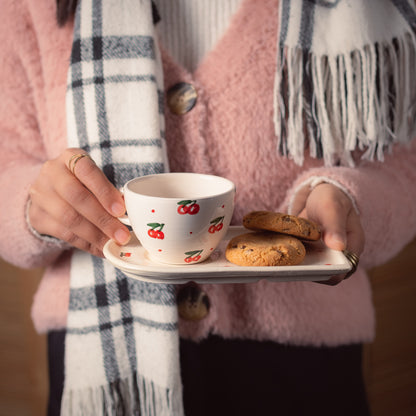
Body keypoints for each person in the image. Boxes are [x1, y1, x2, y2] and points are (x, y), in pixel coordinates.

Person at [1, 0, 415, 415]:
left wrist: (348, 197)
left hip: (304, 363)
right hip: (103, 362)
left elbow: (403, 167)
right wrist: (35, 206)